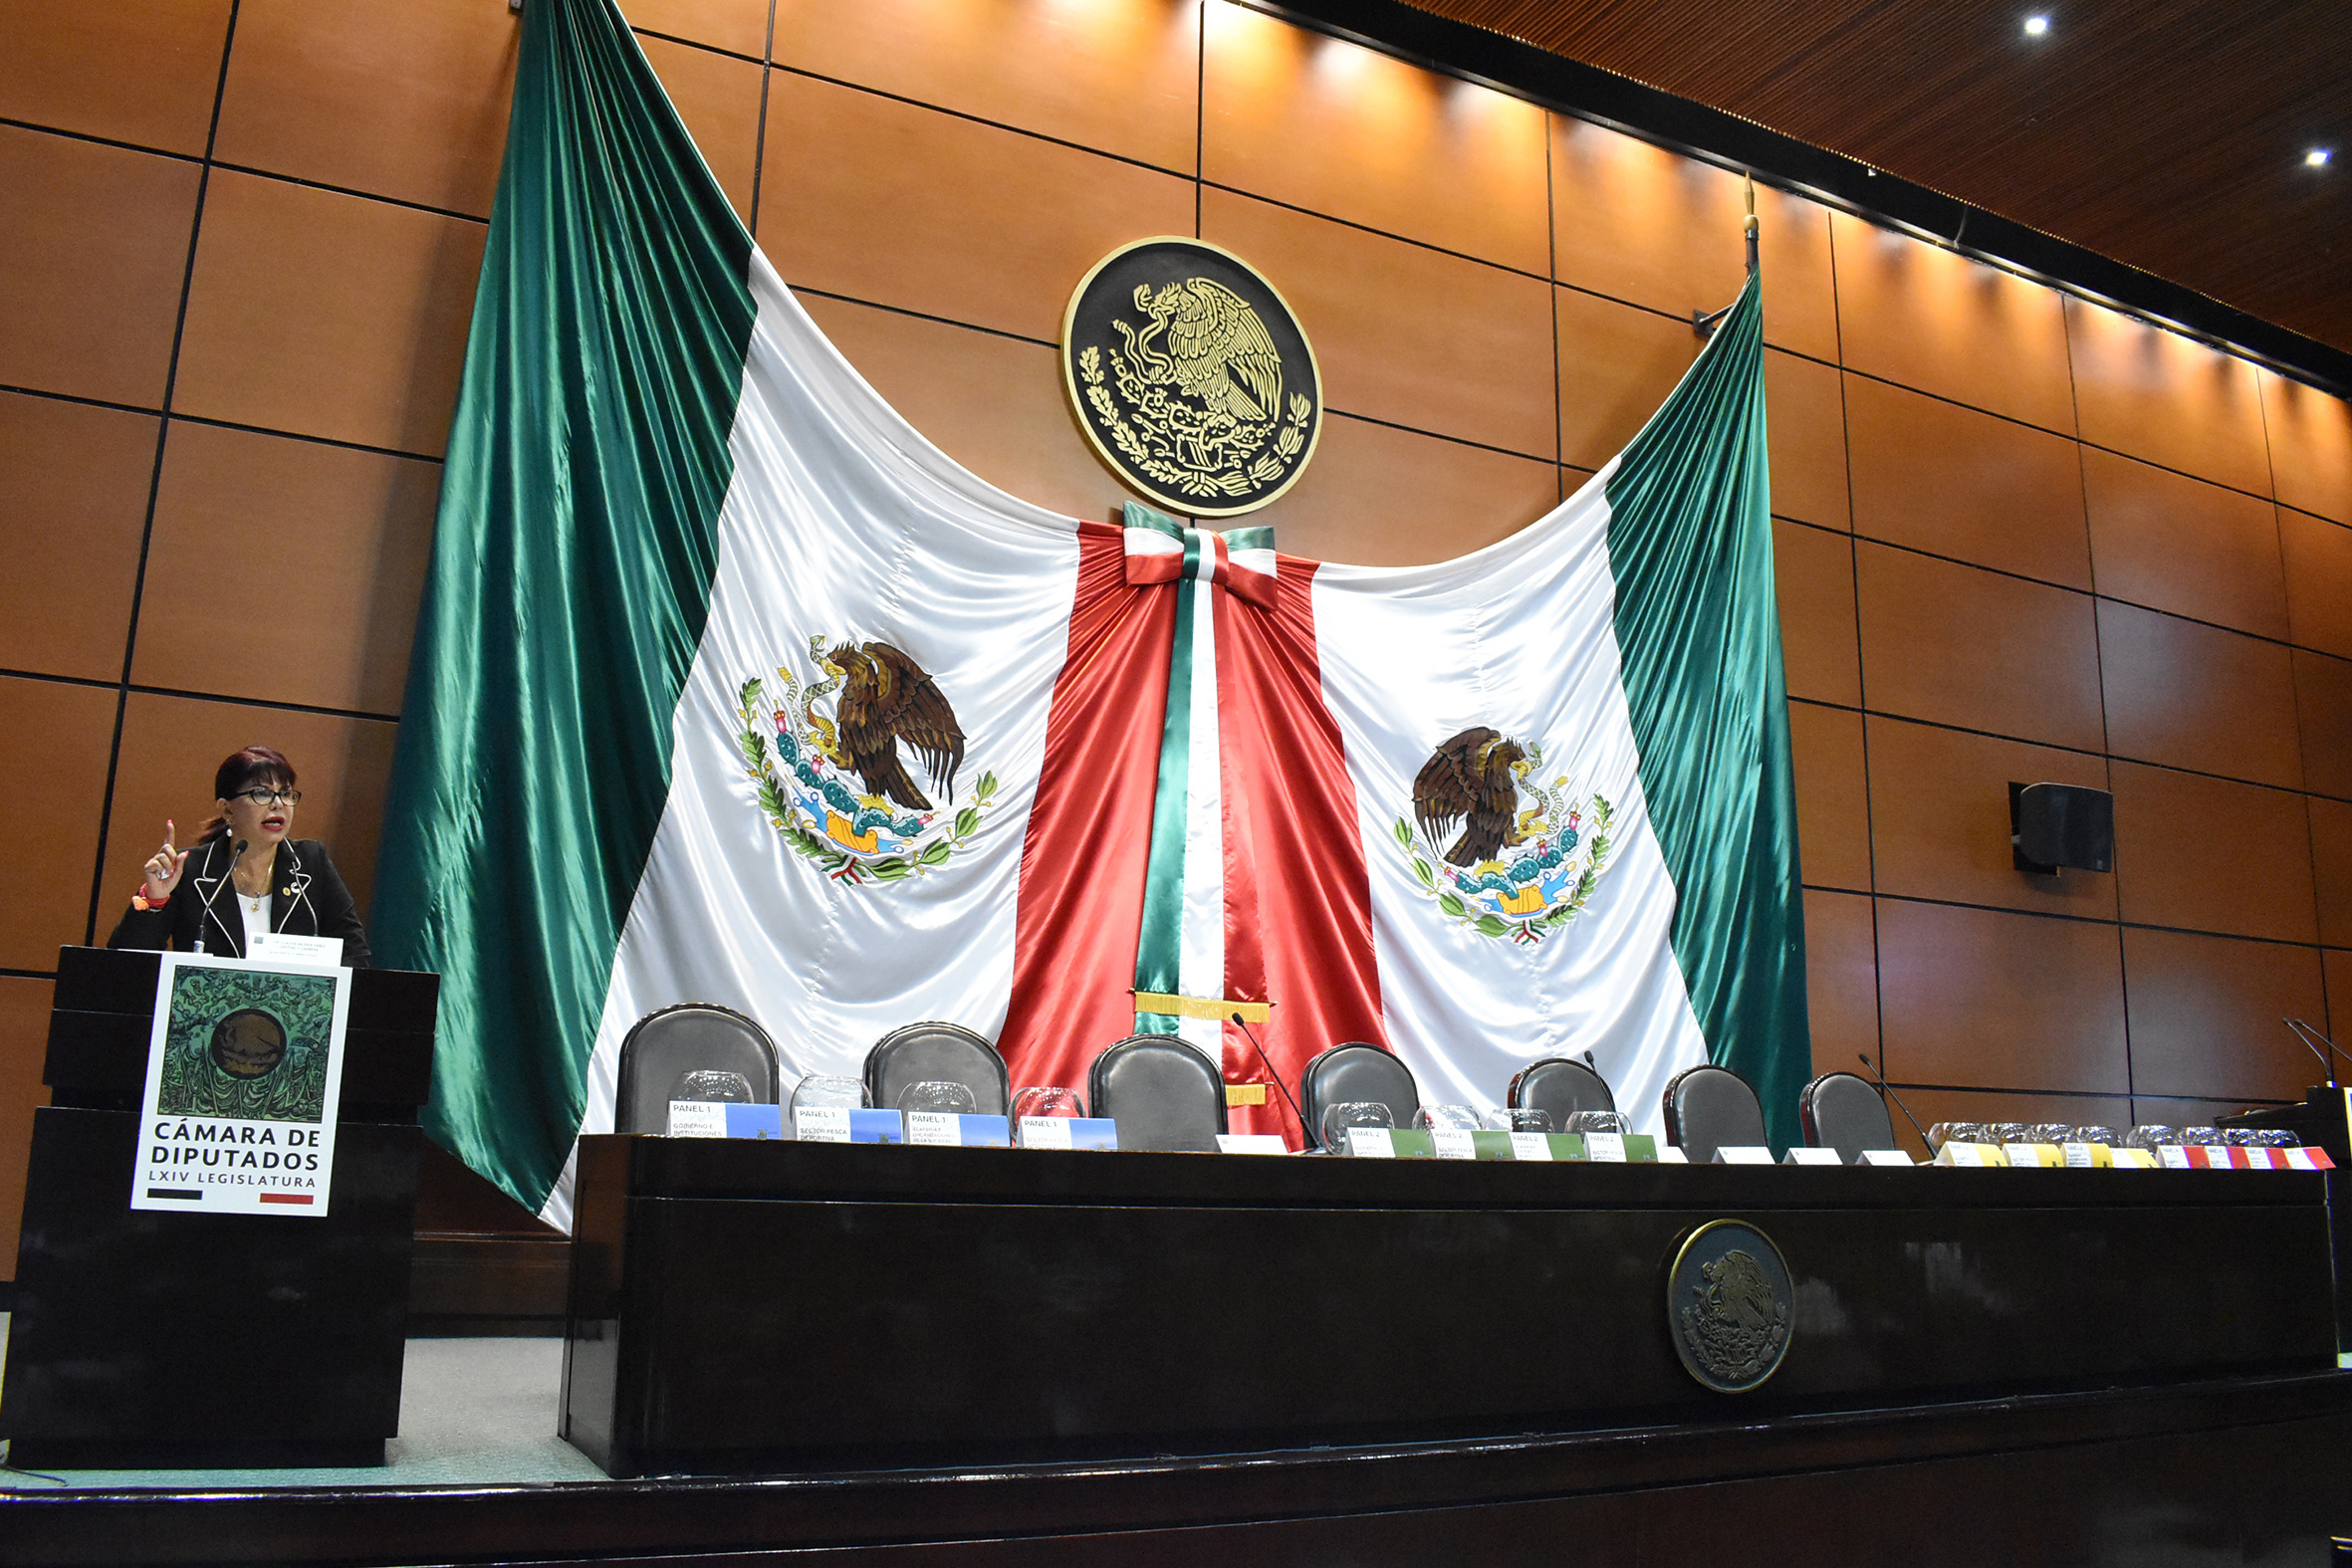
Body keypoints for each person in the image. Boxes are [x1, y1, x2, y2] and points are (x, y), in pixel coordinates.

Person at [110, 745, 370, 967]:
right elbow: (127, 964)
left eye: (285, 793)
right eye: (261, 793)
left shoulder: (311, 863)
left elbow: (355, 955)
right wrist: (154, 901)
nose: (278, 803)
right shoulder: (188, 869)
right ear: (227, 810)